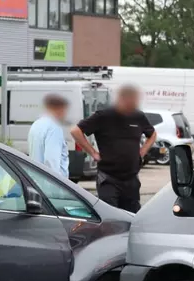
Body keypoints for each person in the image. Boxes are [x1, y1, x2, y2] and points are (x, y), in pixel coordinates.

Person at [71, 85, 156, 213]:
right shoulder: (103, 116)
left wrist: (142, 152)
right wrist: (93, 152)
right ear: (121, 99)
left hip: (131, 178)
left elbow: (152, 134)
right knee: (110, 217)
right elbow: (75, 131)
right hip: (109, 178)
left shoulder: (138, 116)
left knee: (132, 217)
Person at [27, 93, 70, 178]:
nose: (65, 114)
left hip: (37, 178)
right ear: (58, 109)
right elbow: (51, 161)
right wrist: (57, 184)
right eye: (64, 110)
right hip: (51, 184)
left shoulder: (37, 124)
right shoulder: (54, 127)